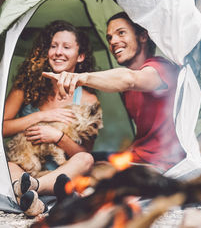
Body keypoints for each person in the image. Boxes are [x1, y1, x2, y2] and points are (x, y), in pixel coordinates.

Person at [43, 12, 186, 173]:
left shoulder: (162, 68)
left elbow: (131, 79)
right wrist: (117, 161)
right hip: (136, 157)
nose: (113, 41)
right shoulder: (128, 90)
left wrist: (79, 78)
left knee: (89, 172)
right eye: (110, 37)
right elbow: (145, 138)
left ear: (143, 36)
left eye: (121, 33)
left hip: (161, 164)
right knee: (84, 159)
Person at [3, 20, 100, 216]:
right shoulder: (26, 84)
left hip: (62, 171)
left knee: (86, 159)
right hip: (25, 167)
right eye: (53, 46)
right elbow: (1, 127)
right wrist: (42, 115)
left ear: (80, 56)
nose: (58, 52)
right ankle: (35, 202)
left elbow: (84, 151)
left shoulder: (89, 99)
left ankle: (33, 190)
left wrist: (57, 137)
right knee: (9, 165)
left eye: (66, 47)